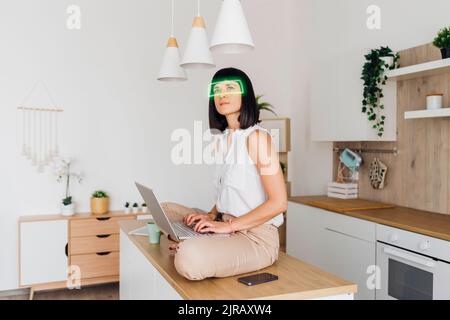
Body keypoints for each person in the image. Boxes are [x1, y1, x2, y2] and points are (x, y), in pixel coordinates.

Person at [161, 67, 287, 281]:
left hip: (256, 237)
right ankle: (198, 240)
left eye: (230, 87)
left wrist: (228, 226)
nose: (222, 94)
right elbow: (228, 194)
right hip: (226, 225)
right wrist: (211, 216)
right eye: (217, 90)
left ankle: (195, 245)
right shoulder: (224, 139)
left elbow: (279, 203)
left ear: (244, 94)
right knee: (165, 210)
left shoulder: (256, 138)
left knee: (189, 258)